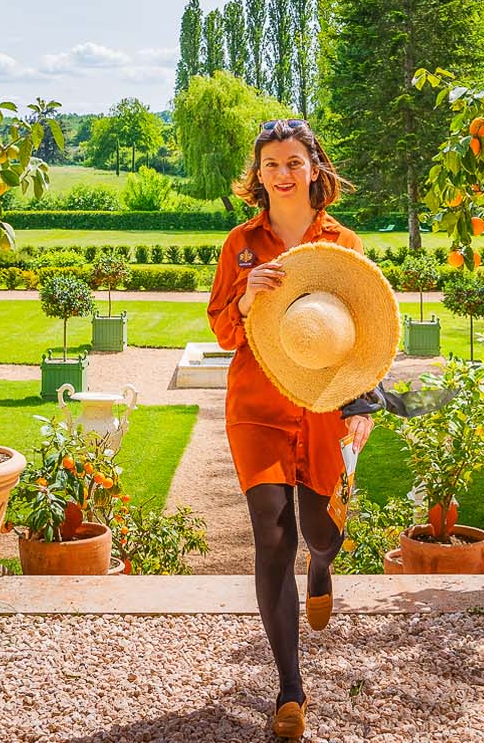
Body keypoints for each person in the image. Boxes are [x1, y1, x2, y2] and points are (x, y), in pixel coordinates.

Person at [205, 118, 373, 739]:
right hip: (257, 405)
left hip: (324, 401)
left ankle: (323, 567)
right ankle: (289, 691)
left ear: (314, 168)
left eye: (293, 161)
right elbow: (222, 330)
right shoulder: (239, 244)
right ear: (259, 174)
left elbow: (362, 333)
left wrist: (360, 405)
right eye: (271, 163)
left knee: (319, 532)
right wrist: (247, 298)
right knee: (272, 536)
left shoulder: (343, 244)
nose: (282, 173)